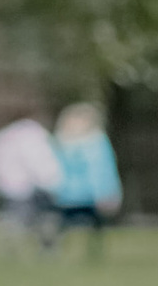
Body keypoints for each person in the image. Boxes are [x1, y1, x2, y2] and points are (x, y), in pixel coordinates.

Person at [0, 112, 62, 246]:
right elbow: (38, 161)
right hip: (26, 185)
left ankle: (11, 244)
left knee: (15, 216)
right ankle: (39, 245)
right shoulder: (31, 134)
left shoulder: (5, 135)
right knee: (38, 217)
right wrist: (51, 181)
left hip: (9, 184)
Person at [49, 103, 122, 243]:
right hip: (66, 197)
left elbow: (103, 171)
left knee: (93, 229)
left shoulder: (96, 143)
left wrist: (106, 193)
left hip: (89, 197)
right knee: (63, 226)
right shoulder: (60, 143)